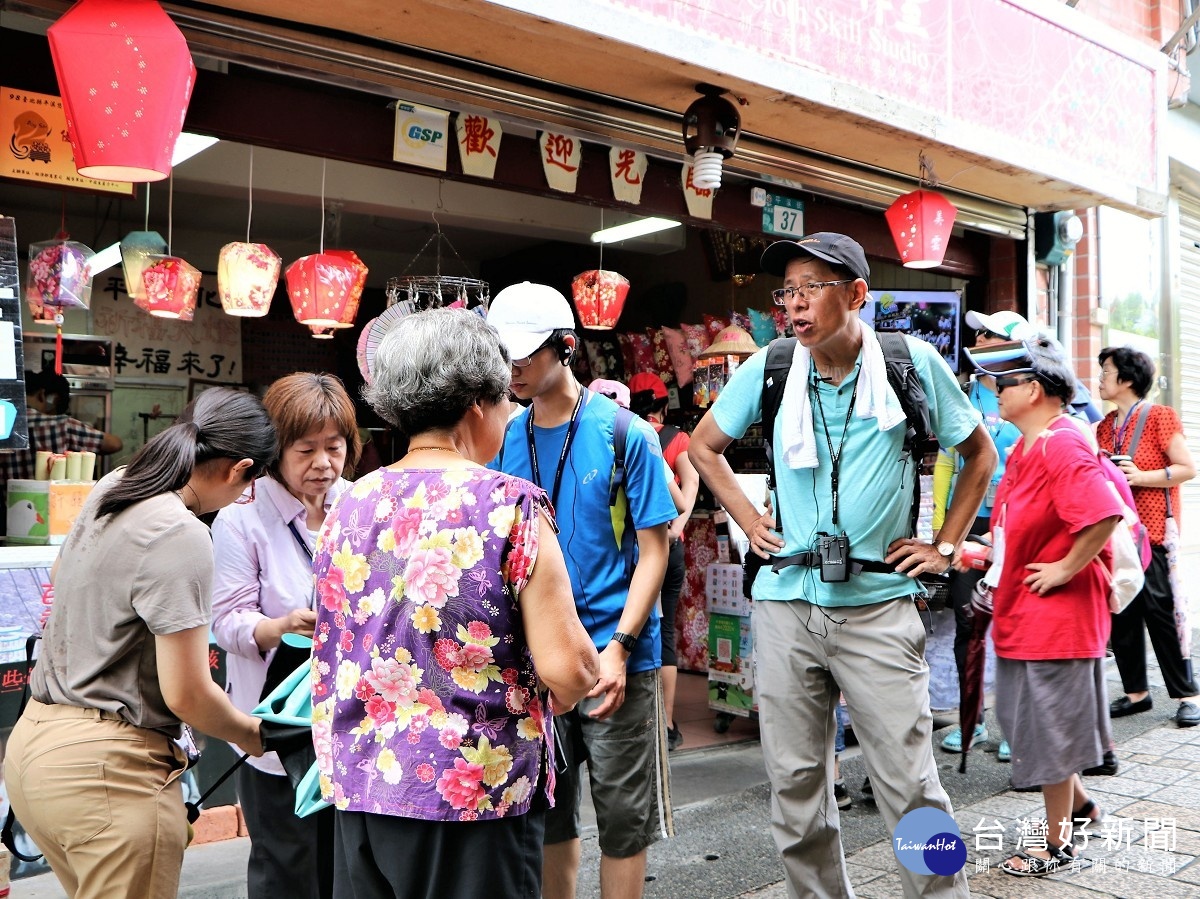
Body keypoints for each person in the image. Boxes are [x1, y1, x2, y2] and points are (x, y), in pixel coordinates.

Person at [689, 232, 994, 898]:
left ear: (856, 294)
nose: (793, 306)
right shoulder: (770, 366)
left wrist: (943, 544)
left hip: (881, 604)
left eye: (809, 289)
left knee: (912, 784)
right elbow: (703, 447)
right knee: (796, 788)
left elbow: (979, 455)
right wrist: (748, 518)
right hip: (786, 604)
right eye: (785, 292)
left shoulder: (909, 362)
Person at [310, 307, 598, 899]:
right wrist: (569, 691)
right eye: (503, 401)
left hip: (362, 787)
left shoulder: (349, 504)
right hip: (472, 798)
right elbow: (567, 668)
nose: (510, 415)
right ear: (475, 405)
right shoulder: (509, 505)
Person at [4, 388, 276, 898]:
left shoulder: (117, 483)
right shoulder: (183, 532)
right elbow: (188, 695)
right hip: (108, 773)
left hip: (34, 750)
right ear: (239, 469)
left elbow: (64, 574)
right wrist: (256, 735)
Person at [487, 282, 676, 899]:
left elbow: (656, 549)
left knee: (623, 824)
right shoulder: (502, 439)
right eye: (503, 352)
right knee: (548, 813)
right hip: (538, 660)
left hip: (618, 657)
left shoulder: (626, 434)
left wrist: (620, 646)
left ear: (566, 346)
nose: (511, 366)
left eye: (526, 352)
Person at [959, 338, 1119, 875]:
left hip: (1059, 617)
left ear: (1033, 390)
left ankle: (1055, 845)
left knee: (1048, 730)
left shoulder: (1061, 445)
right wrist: (982, 554)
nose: (994, 393)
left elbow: (1102, 513)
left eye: (1001, 385)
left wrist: (1064, 569)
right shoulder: (1028, 449)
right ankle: (1081, 807)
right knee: (1032, 722)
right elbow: (1021, 532)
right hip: (1026, 613)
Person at [212, 373, 362, 898]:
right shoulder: (241, 518)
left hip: (351, 725)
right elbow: (225, 620)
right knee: (286, 869)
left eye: (334, 448)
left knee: (347, 868)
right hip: (278, 731)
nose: (323, 464)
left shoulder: (360, 504)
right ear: (276, 449)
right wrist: (277, 628)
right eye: (306, 450)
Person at [932, 310, 1030, 761]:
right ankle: (971, 721)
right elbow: (947, 463)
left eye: (989, 334)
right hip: (968, 527)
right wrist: (942, 530)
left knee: (1014, 626)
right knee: (968, 623)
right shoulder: (962, 396)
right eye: (980, 334)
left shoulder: (1031, 396)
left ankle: (1014, 724)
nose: (980, 340)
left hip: (1013, 530)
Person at [1096, 346, 1199, 728]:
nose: (1100, 378)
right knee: (1121, 608)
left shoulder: (1160, 417)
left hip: (1153, 529)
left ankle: (1189, 694)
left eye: (1106, 371)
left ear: (1126, 378)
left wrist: (1140, 477)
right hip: (1117, 531)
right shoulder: (1105, 425)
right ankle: (1136, 692)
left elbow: (1187, 467)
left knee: (1161, 611)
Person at [628, 371, 700, 751]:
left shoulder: (622, 433)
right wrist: (679, 525)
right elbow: (690, 484)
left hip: (635, 548)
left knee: (635, 628)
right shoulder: (675, 437)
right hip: (668, 547)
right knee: (663, 629)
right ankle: (667, 723)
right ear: (662, 402)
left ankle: (645, 718)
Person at [0, 369, 123, 524]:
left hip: (7, 522)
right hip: (55, 520)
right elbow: (114, 443)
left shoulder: (3, 426)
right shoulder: (61, 425)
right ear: (42, 395)